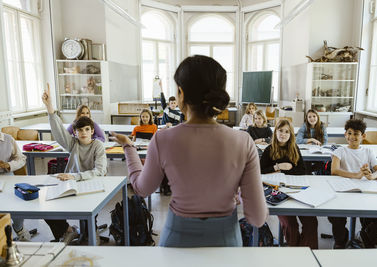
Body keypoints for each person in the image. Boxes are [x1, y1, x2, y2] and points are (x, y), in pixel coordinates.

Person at [111, 55, 268, 247]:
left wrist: (128, 146)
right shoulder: (243, 141)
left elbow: (142, 189)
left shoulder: (163, 139)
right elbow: (258, 218)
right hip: (226, 242)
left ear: (180, 93)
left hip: (177, 240)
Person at [42, 85, 107, 244]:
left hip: (92, 185)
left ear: (92, 131)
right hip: (69, 184)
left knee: (88, 226)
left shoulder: (98, 146)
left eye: (86, 129)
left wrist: (75, 176)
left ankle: (90, 230)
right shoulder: (73, 143)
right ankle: (67, 231)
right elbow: (58, 132)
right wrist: (50, 107)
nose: (83, 133)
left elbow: (99, 171)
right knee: (46, 207)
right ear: (75, 132)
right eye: (80, 130)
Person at [328, 118, 377, 249]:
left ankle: (366, 236)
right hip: (343, 192)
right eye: (349, 133)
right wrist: (356, 175)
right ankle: (341, 240)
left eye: (356, 134)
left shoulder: (368, 151)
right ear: (345, 134)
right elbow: (334, 170)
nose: (352, 137)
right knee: (335, 215)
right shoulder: (340, 151)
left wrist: (372, 176)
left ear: (363, 136)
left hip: (365, 192)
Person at [260, 119, 318, 249]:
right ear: (275, 132)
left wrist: (289, 168)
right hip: (277, 192)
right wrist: (277, 167)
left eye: (287, 132)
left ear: (291, 134)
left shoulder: (294, 148)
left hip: (296, 191)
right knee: (291, 225)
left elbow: (302, 170)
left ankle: (304, 252)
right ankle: (295, 252)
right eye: (280, 131)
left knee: (311, 222)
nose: (283, 134)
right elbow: (260, 171)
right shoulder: (269, 149)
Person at [0, 132, 30, 241]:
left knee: (16, 203)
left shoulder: (8, 139)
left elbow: (21, 158)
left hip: (7, 176)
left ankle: (19, 228)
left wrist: (9, 165)